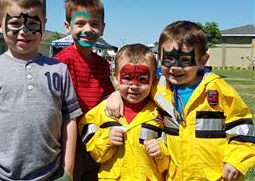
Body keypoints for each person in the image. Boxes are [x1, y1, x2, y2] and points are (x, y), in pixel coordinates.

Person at [106, 21, 255, 181]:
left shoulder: (217, 89)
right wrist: (115, 95)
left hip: (215, 176)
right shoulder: (158, 88)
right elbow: (133, 88)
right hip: (173, 175)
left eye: (185, 60)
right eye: (168, 59)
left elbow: (243, 128)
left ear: (203, 60)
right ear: (159, 57)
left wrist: (236, 160)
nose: (175, 67)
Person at [0, 0, 82, 181]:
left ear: (44, 24)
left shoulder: (59, 70)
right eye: (15, 23)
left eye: (33, 24)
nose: (24, 31)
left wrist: (68, 169)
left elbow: (69, 120)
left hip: (51, 174)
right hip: (0, 176)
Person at [78, 43, 169, 181]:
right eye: (127, 78)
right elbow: (93, 148)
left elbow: (173, 154)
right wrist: (106, 139)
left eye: (142, 79)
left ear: (154, 80)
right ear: (115, 78)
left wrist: (161, 151)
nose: (134, 86)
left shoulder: (160, 113)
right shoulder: (103, 110)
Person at [54, 0, 115, 181]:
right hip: (67, 144)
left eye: (94, 24)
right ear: (67, 26)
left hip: (95, 141)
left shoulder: (103, 65)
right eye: (80, 23)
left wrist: (116, 96)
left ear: (102, 29)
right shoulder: (60, 63)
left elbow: (108, 97)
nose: (87, 29)